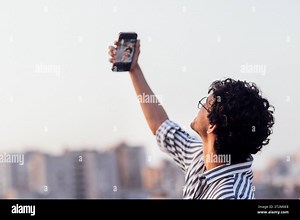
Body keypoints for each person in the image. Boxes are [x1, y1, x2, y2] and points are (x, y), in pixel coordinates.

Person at [108, 39, 275, 199]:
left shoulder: (231, 195)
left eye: (205, 103)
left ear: (212, 126)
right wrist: (134, 69)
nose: (199, 107)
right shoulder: (203, 158)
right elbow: (160, 126)